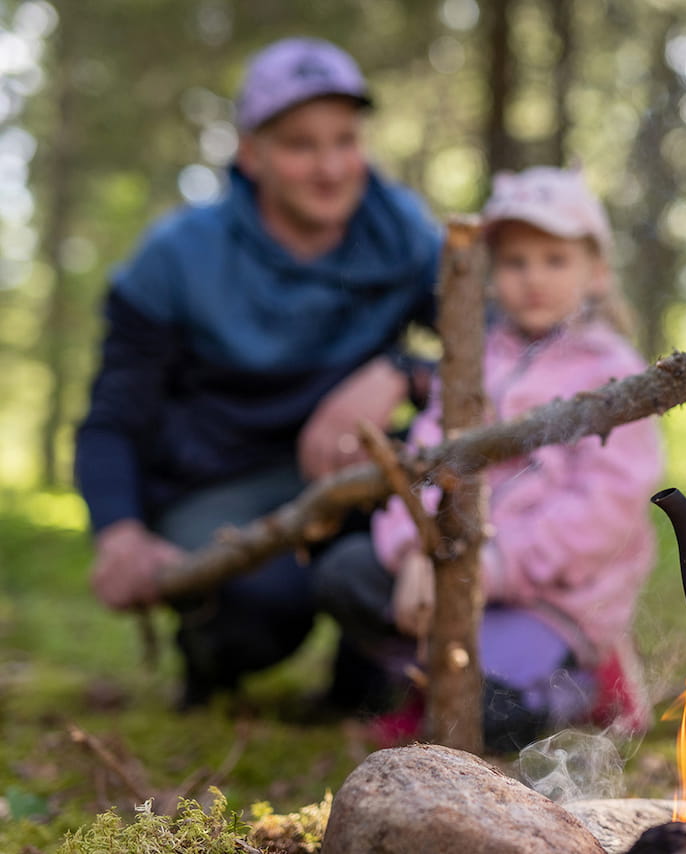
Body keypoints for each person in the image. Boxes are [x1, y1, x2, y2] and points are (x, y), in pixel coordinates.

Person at [74, 37, 442, 708]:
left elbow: (506, 358)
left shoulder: (408, 237)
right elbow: (113, 417)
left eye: (345, 140)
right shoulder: (177, 258)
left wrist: (401, 368)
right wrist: (119, 531)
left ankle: (369, 688)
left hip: (354, 470)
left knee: (389, 548)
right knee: (263, 607)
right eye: (302, 144)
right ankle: (214, 651)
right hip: (218, 481)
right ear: (252, 153)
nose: (331, 168)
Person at [311, 166, 663, 751]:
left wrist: (488, 568)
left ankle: (587, 681)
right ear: (489, 273)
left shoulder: (613, 372)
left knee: (488, 721)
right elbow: (426, 460)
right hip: (455, 567)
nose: (534, 279)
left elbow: (604, 509)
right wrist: (417, 550)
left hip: (554, 597)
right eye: (516, 262)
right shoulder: (472, 361)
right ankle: (426, 684)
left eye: (555, 260)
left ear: (596, 272)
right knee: (346, 576)